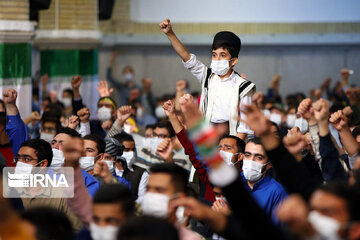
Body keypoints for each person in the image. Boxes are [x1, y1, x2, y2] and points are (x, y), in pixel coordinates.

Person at [159, 19, 256, 138]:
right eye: (214, 55)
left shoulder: (244, 86)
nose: (217, 59)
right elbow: (186, 57)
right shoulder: (207, 76)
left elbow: (244, 127)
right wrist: (170, 34)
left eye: (223, 55)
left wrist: (234, 149)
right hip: (206, 133)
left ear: (234, 61)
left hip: (231, 134)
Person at [142, 163, 202, 240]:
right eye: (148, 189)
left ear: (179, 198)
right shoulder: (131, 232)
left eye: (159, 190)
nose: (150, 195)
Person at [113, 133, 149, 203]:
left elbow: (142, 198)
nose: (131, 153)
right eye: (126, 150)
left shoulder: (141, 173)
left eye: (133, 150)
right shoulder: (107, 168)